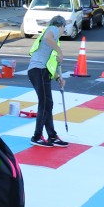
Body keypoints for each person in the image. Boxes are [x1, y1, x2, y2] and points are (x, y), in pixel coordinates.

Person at [26, 15, 68, 148]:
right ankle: (37, 136)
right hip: (38, 70)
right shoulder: (53, 29)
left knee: (48, 103)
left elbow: (48, 63)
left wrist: (57, 77)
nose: (63, 31)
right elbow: (47, 37)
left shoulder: (53, 38)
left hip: (41, 70)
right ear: (61, 25)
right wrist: (60, 52)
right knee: (45, 103)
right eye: (64, 28)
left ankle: (52, 136)